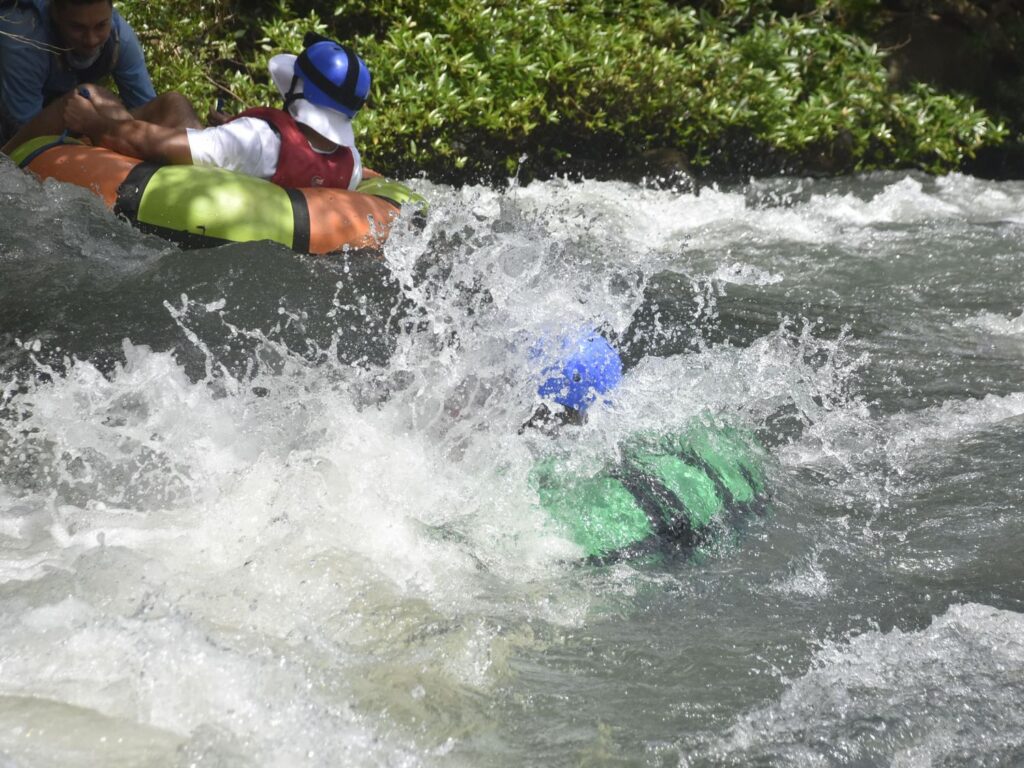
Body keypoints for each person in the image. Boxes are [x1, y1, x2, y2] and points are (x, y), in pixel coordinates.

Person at [38, 33, 371, 191]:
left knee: (91, 95)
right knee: (174, 103)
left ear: (299, 89)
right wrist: (235, 132)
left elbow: (153, 145)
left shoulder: (255, 139)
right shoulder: (352, 163)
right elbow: (293, 156)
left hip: (192, 205)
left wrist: (93, 122)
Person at [0, 0, 191, 149]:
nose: (91, 39)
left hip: (78, 124)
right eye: (78, 28)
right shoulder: (25, 38)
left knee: (174, 103)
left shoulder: (119, 39)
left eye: (100, 26)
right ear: (56, 14)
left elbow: (145, 109)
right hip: (16, 139)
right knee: (91, 96)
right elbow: (23, 136)